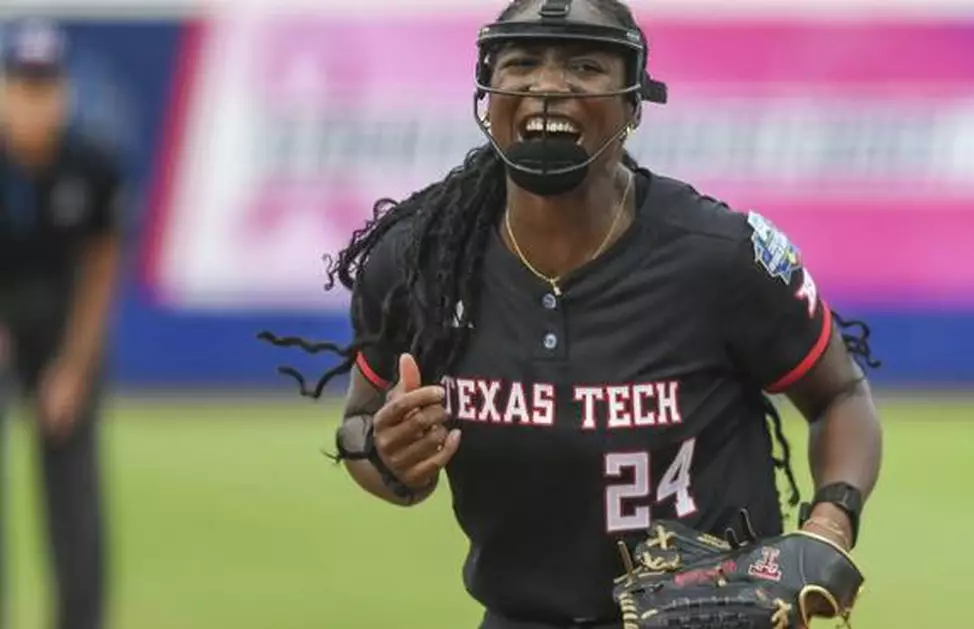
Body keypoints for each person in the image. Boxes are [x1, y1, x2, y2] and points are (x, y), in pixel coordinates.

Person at [261, 1, 884, 627]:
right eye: (522, 63)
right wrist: (387, 458)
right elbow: (359, 427)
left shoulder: (720, 256)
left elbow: (839, 394)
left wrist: (828, 526)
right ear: (486, 93)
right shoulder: (420, 261)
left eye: (585, 66)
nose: (549, 86)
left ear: (634, 102)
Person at [0, 19, 122, 629]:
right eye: (23, 86)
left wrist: (73, 368)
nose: (35, 102)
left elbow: (99, 269)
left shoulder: (92, 164)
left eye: (45, 87)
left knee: (73, 486)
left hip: (62, 320)